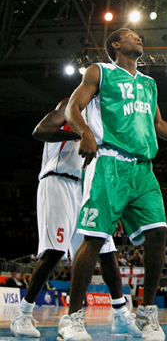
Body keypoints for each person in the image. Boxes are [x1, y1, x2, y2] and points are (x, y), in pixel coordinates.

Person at [61, 28, 167, 341]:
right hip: (108, 164)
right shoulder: (99, 71)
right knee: (95, 239)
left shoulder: (149, 84)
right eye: (130, 35)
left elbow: (158, 125)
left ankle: (147, 311)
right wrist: (85, 132)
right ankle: (72, 318)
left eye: (139, 35)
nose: (138, 37)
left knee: (159, 232)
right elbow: (71, 108)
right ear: (115, 44)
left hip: (142, 169)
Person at [10, 99, 138, 339]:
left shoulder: (104, 119)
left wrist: (112, 207)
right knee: (54, 252)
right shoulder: (70, 105)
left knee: (107, 250)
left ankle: (121, 315)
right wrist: (78, 136)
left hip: (87, 189)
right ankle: (23, 315)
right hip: (58, 179)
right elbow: (41, 131)